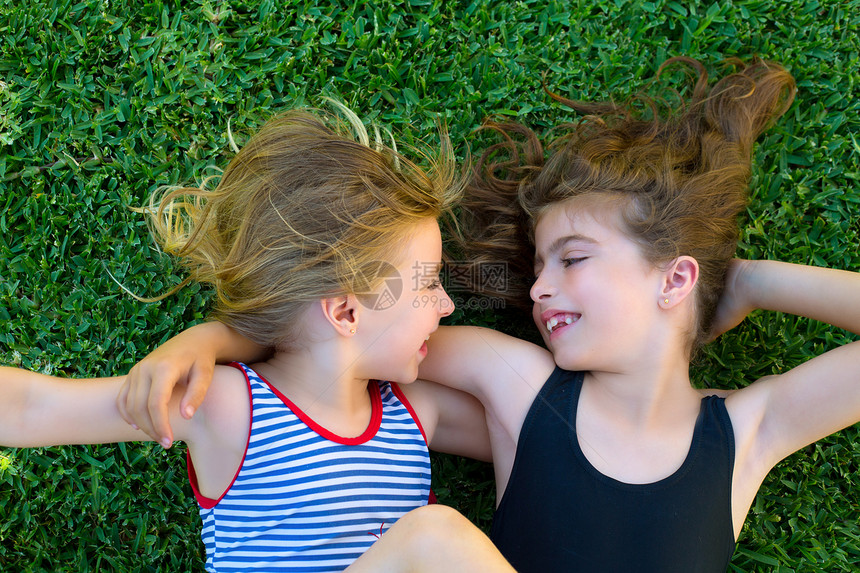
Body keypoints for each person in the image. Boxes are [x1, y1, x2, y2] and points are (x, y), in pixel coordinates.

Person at [119, 58, 860, 572]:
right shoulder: (515, 381)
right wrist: (211, 335)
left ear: (675, 277)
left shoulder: (746, 431)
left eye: (571, 259)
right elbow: (344, 319)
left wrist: (752, 280)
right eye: (536, 269)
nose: (538, 289)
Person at [0, 107, 516, 573]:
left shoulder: (415, 412)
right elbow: (31, 407)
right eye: (426, 285)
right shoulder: (230, 406)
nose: (448, 304)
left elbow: (536, 437)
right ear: (346, 312)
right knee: (434, 537)